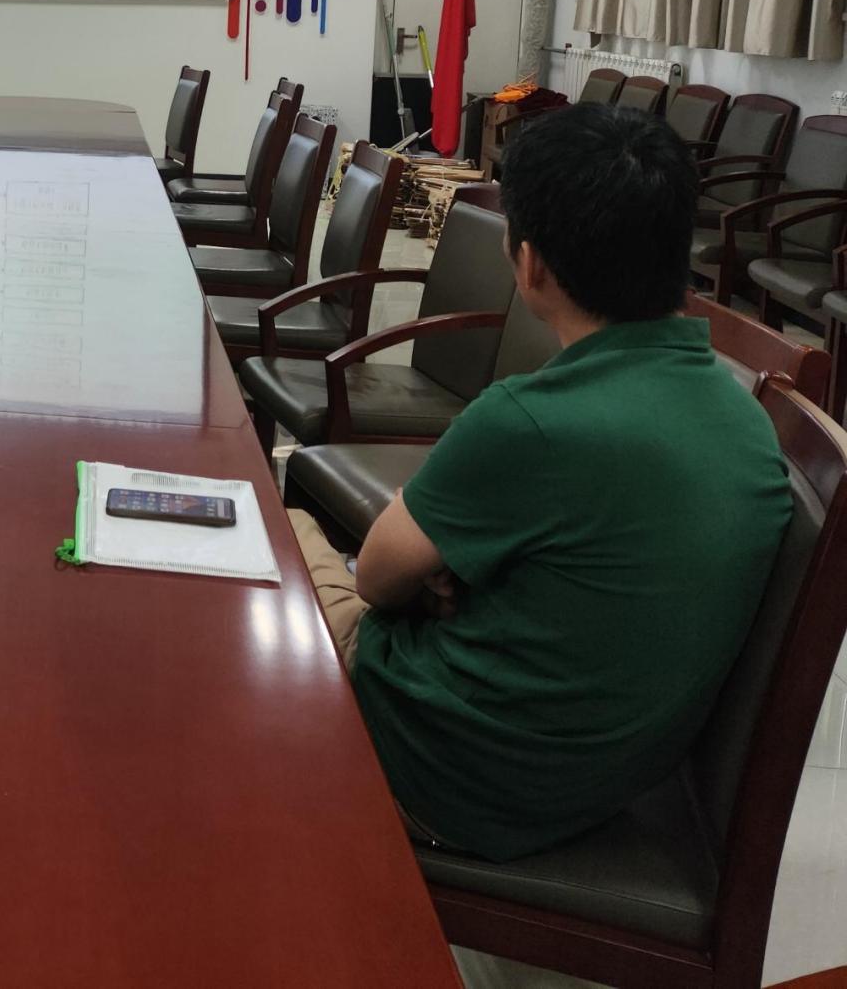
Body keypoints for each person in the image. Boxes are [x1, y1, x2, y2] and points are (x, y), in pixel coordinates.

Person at [289, 103, 789, 861]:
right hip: (596, 784)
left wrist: (435, 570)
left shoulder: (530, 421)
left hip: (444, 774)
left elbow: (379, 579)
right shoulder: (748, 418)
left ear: (530, 265)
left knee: (278, 533)